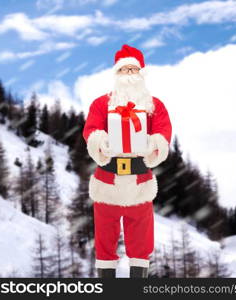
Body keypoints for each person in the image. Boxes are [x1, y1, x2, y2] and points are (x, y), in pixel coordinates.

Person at [82, 44, 172, 278]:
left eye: (134, 70)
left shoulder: (154, 106)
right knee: (104, 237)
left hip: (139, 181)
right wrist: (100, 141)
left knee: (141, 238)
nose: (129, 75)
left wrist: (154, 144)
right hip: (107, 181)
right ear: (116, 73)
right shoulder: (101, 104)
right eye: (125, 70)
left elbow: (163, 132)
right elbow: (90, 130)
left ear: (142, 73)